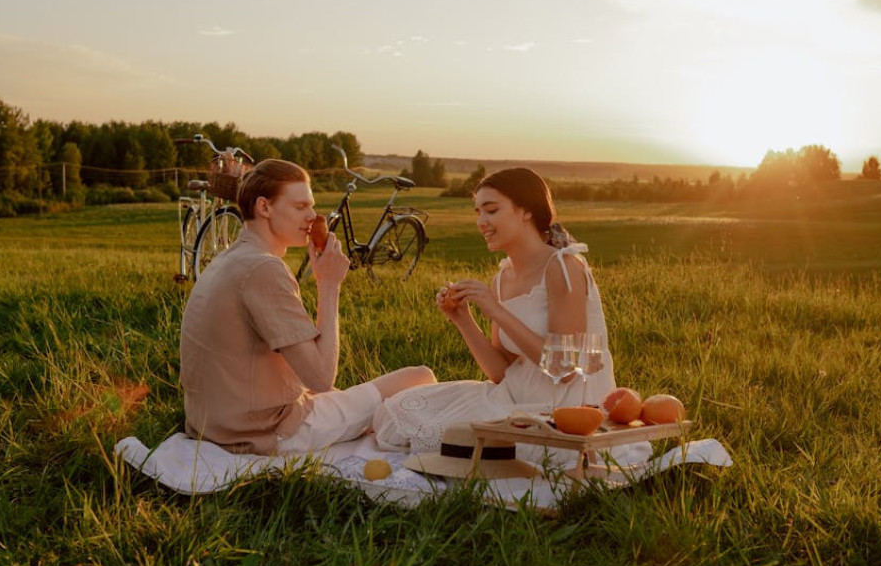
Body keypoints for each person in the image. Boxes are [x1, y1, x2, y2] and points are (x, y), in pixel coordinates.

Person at [373, 168, 638, 466]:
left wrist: (495, 309)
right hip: (513, 395)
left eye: (491, 210)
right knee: (397, 410)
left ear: (525, 210)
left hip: (567, 409)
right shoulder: (503, 278)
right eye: (478, 212)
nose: (481, 222)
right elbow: (501, 373)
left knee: (446, 436)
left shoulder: (564, 267)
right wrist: (462, 318)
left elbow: (564, 369)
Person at [180, 159, 436, 456]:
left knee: (363, 399)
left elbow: (296, 373)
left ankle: (370, 420)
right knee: (420, 376)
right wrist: (329, 285)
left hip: (213, 424)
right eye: (300, 207)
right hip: (267, 432)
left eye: (311, 206)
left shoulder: (231, 259)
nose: (313, 216)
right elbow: (321, 379)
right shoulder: (264, 269)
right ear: (265, 208)